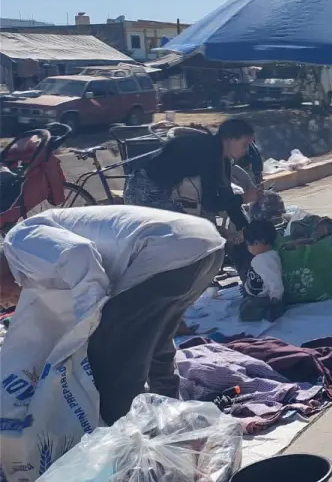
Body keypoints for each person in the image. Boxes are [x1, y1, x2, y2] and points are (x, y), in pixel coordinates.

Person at [0, 205, 226, 425]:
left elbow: (79, 254)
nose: (5, 303)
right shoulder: (26, 256)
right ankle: (171, 412)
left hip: (166, 252)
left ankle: (121, 435)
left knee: (113, 353)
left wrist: (89, 321)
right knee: (156, 338)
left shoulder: (19, 242)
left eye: (1, 299)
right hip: (205, 247)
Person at [125, 118, 258, 231]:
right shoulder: (207, 152)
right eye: (245, 145)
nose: (246, 151)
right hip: (143, 190)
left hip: (164, 190)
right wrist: (243, 198)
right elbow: (210, 204)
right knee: (188, 230)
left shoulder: (222, 159)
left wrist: (247, 230)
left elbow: (227, 198)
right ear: (229, 139)